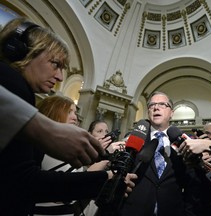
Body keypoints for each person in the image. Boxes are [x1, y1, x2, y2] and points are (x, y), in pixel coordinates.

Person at [0, 18, 136, 215]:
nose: (61, 77)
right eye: (55, 64)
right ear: (21, 52)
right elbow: (24, 181)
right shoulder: (12, 81)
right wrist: (104, 181)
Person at [120, 91, 193, 216]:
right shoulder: (134, 140)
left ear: (171, 113)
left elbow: (191, 183)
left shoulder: (183, 142)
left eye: (162, 104)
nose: (156, 107)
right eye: (152, 105)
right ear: (148, 112)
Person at [0, 85, 102, 168]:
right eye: (69, 112)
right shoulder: (47, 145)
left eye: (75, 113)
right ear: (53, 112)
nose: (75, 118)